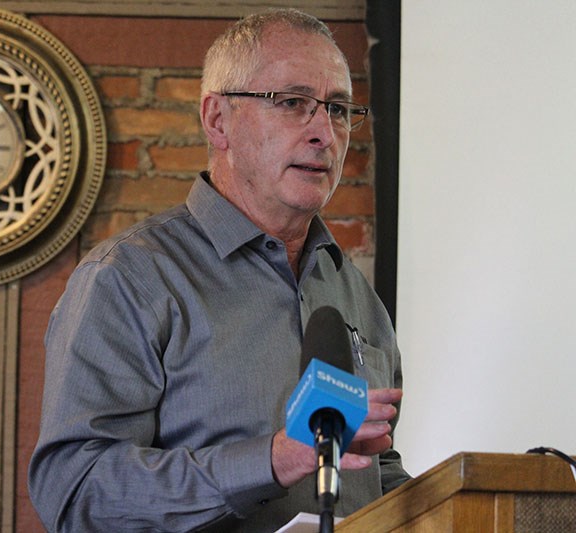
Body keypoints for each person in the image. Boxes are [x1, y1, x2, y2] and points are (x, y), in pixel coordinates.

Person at [28, 8, 411, 532]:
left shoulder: (358, 297)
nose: (324, 131)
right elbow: (76, 494)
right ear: (217, 120)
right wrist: (272, 460)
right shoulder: (129, 278)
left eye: (339, 109)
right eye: (293, 103)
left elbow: (374, 474)